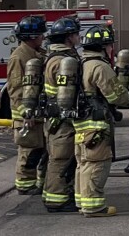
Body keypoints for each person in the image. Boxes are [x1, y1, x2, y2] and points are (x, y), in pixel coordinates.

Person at [74, 24, 129, 217]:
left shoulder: (80, 63)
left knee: (83, 163)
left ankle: (82, 202)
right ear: (103, 47)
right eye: (109, 45)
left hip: (81, 124)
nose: (111, 48)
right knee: (98, 162)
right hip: (96, 124)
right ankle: (94, 206)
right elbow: (117, 96)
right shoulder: (99, 66)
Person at [41, 16, 83, 213]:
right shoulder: (62, 62)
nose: (78, 37)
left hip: (55, 117)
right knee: (61, 158)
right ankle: (56, 199)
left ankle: (56, 194)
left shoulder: (53, 57)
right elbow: (66, 91)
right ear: (68, 37)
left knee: (59, 157)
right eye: (76, 34)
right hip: (62, 118)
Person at [7, 14, 48, 196]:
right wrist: (26, 113)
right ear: (32, 37)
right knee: (28, 151)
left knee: (40, 149)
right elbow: (15, 88)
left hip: (38, 113)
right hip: (26, 116)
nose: (43, 37)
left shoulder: (37, 53)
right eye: (40, 34)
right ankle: (24, 184)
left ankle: (38, 183)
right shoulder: (19, 57)